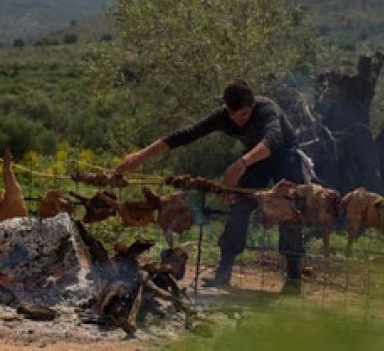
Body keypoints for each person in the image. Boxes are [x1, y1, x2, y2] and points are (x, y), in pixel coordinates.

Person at [116, 80, 305, 294]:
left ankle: (294, 278)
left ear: (251, 106)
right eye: (232, 116)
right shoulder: (225, 117)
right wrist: (140, 156)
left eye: (242, 115)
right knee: (238, 208)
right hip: (256, 162)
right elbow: (187, 134)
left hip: (284, 158)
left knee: (289, 213)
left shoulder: (267, 110)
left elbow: (274, 140)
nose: (237, 121)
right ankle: (223, 274)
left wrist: (240, 165)